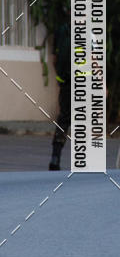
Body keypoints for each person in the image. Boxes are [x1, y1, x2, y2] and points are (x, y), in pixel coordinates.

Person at [49, 18, 70, 170]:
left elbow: (54, 58)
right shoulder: (89, 32)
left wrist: (60, 78)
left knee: (63, 119)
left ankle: (55, 157)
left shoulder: (61, 30)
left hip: (65, 82)